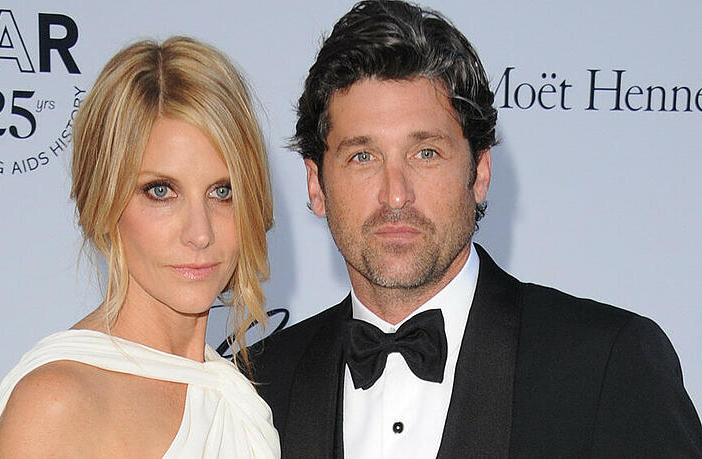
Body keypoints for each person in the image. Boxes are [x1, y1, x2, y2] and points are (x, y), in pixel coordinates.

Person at [247, 1, 702, 458]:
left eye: (426, 153)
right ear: (316, 184)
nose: (396, 195)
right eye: (363, 157)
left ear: (480, 171)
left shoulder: (607, 365)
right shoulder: (257, 389)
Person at [0, 37, 279, 458]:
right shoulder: (57, 404)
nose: (200, 233)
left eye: (222, 191)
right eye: (161, 191)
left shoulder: (231, 396)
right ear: (106, 202)